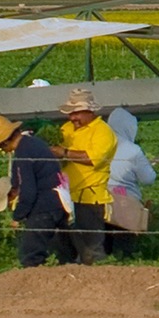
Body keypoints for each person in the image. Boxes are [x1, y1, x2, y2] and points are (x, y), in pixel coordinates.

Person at [0, 114, 71, 267]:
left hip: (44, 208)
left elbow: (28, 190)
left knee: (31, 256)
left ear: (5, 140)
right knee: (62, 254)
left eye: (1, 146)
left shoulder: (23, 153)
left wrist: (18, 216)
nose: (3, 150)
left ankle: (35, 287)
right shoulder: (34, 143)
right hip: (58, 204)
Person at [51, 87, 116, 263]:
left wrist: (64, 152)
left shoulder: (103, 132)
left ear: (90, 111)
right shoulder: (66, 128)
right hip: (66, 196)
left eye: (77, 113)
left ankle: (98, 281)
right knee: (65, 244)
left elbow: (93, 158)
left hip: (90, 197)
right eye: (71, 113)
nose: (73, 118)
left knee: (92, 246)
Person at [104, 107, 157, 247]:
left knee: (105, 244)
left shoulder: (99, 144)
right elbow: (148, 179)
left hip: (100, 201)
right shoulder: (133, 151)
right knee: (124, 246)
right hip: (126, 204)